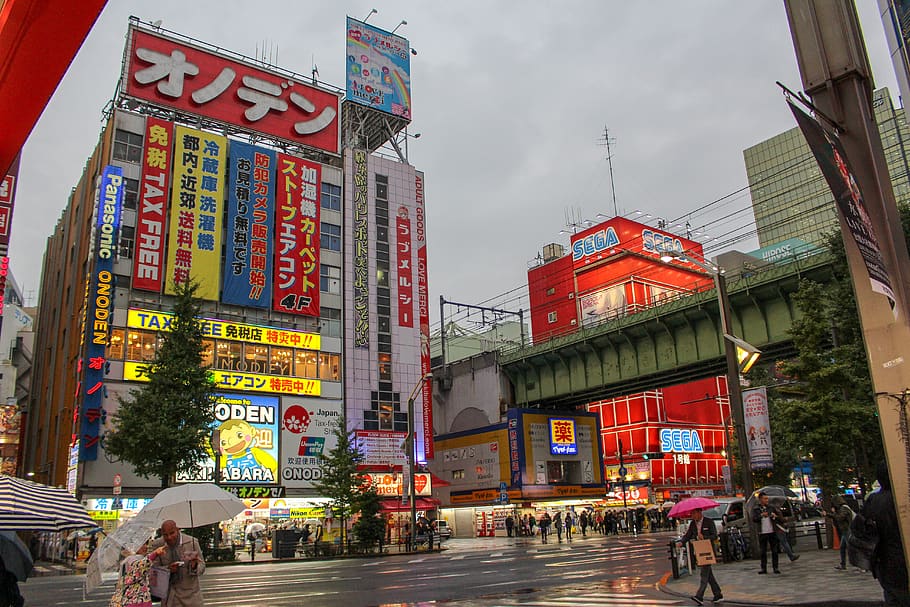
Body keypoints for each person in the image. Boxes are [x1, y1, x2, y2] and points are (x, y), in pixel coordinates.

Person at [864, 461, 909, 606]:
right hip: (902, 562)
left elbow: (863, 531)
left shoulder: (873, 500)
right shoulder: (901, 499)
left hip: (884, 564)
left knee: (892, 599)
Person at [149, 520, 206, 607]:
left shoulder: (192, 542)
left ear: (178, 530)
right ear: (161, 533)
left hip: (191, 597)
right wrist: (168, 569)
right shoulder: (157, 545)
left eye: (172, 533)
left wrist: (194, 566)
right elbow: (153, 571)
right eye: (165, 535)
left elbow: (202, 567)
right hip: (169, 598)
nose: (169, 537)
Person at [679, 508, 722, 605]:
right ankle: (718, 594)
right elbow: (688, 535)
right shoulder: (693, 524)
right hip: (698, 550)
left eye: (694, 514)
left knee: (704, 573)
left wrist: (705, 537)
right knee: (708, 574)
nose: (692, 516)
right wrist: (682, 542)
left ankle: (699, 596)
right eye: (691, 514)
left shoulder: (709, 522)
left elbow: (714, 535)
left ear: (699, 513)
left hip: (708, 550)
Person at [110, 543, 167, 607]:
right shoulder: (132, 560)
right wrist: (155, 554)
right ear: (132, 547)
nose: (145, 547)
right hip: (136, 602)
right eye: (142, 545)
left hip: (128, 601)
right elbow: (140, 567)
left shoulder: (126, 561)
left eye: (146, 544)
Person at [752, 492, 782, 574]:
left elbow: (779, 517)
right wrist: (761, 515)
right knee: (763, 551)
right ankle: (763, 568)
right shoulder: (756, 508)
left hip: (772, 531)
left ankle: (775, 567)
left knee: (774, 550)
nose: (766, 500)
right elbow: (754, 519)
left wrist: (774, 516)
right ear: (760, 499)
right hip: (762, 532)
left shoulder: (771, 507)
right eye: (765, 498)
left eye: (767, 498)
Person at [832, 496, 854, 570]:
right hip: (845, 530)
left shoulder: (844, 508)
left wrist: (833, 513)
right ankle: (843, 564)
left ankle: (861, 564)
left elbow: (840, 517)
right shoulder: (844, 508)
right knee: (843, 547)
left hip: (848, 530)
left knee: (850, 547)